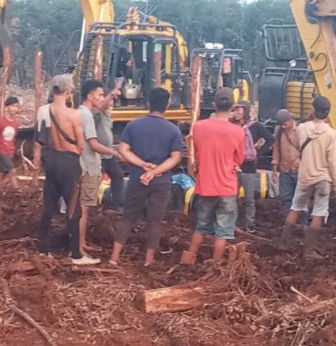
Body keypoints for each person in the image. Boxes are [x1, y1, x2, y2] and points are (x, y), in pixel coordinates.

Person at [109, 87, 184, 267]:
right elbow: (175, 157)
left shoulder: (133, 125)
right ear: (166, 105)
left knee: (128, 217)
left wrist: (143, 166)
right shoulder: (173, 130)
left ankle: (114, 257)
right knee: (155, 221)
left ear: (149, 103)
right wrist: (154, 171)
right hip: (161, 181)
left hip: (137, 178)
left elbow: (123, 149)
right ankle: (148, 260)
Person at [36, 74, 97, 265]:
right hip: (69, 162)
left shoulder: (43, 110)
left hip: (52, 160)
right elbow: (80, 145)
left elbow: (40, 138)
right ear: (69, 92)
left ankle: (42, 249)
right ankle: (76, 255)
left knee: (48, 205)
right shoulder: (74, 115)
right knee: (73, 207)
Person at [180, 87, 244, 266]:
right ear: (232, 107)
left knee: (201, 226)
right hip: (227, 186)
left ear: (214, 104)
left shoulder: (199, 127)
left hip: (205, 185)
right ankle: (216, 265)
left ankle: (188, 259)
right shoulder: (238, 131)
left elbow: (198, 151)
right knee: (223, 231)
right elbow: (239, 158)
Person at [284, 96, 336, 260]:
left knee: (296, 207)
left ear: (313, 109)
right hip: (323, 178)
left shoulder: (302, 128)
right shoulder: (332, 134)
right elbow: (333, 162)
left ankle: (284, 243)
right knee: (319, 212)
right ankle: (309, 250)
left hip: (304, 176)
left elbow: (296, 144)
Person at [77, 80, 118, 253]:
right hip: (87, 167)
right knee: (83, 210)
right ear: (89, 95)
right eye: (100, 95)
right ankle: (79, 247)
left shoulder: (82, 113)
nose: (102, 98)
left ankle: (81, 242)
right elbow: (93, 144)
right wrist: (115, 152)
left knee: (82, 209)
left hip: (83, 165)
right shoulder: (86, 115)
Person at [231, 100, 271, 233]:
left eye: (239, 109)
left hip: (248, 166)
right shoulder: (231, 125)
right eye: (235, 109)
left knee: (249, 198)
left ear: (246, 111)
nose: (236, 112)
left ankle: (250, 224)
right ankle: (231, 223)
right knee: (231, 197)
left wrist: (257, 152)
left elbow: (270, 139)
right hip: (233, 166)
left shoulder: (255, 126)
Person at [95, 87, 123, 210]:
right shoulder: (97, 113)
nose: (111, 102)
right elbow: (102, 106)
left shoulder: (107, 114)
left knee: (118, 175)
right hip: (98, 155)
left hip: (108, 155)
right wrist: (111, 94)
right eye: (110, 100)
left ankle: (116, 205)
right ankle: (91, 205)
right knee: (96, 181)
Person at [272, 109, 301, 225]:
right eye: (281, 124)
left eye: (285, 124)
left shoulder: (300, 130)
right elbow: (276, 150)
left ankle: (303, 223)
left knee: (300, 198)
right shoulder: (279, 131)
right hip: (285, 169)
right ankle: (289, 223)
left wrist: (300, 160)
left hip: (299, 170)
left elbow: (306, 148)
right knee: (285, 198)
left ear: (290, 120)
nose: (283, 126)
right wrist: (274, 169)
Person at [0, 95, 21, 192]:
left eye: (16, 106)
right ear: (6, 107)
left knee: (2, 174)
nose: (15, 108)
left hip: (9, 151)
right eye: (13, 106)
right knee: (12, 171)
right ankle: (17, 193)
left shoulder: (15, 123)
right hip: (1, 150)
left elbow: (12, 139)